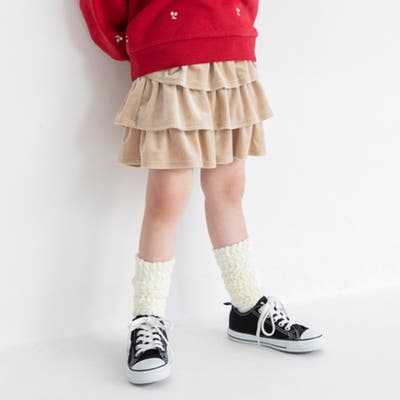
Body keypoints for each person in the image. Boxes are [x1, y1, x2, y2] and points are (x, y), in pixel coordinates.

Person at [79, 0, 323, 385]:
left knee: (229, 189)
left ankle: (247, 306)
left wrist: (232, 26)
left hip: (230, 51)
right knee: (167, 197)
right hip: (168, 53)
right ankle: (147, 317)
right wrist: (136, 40)